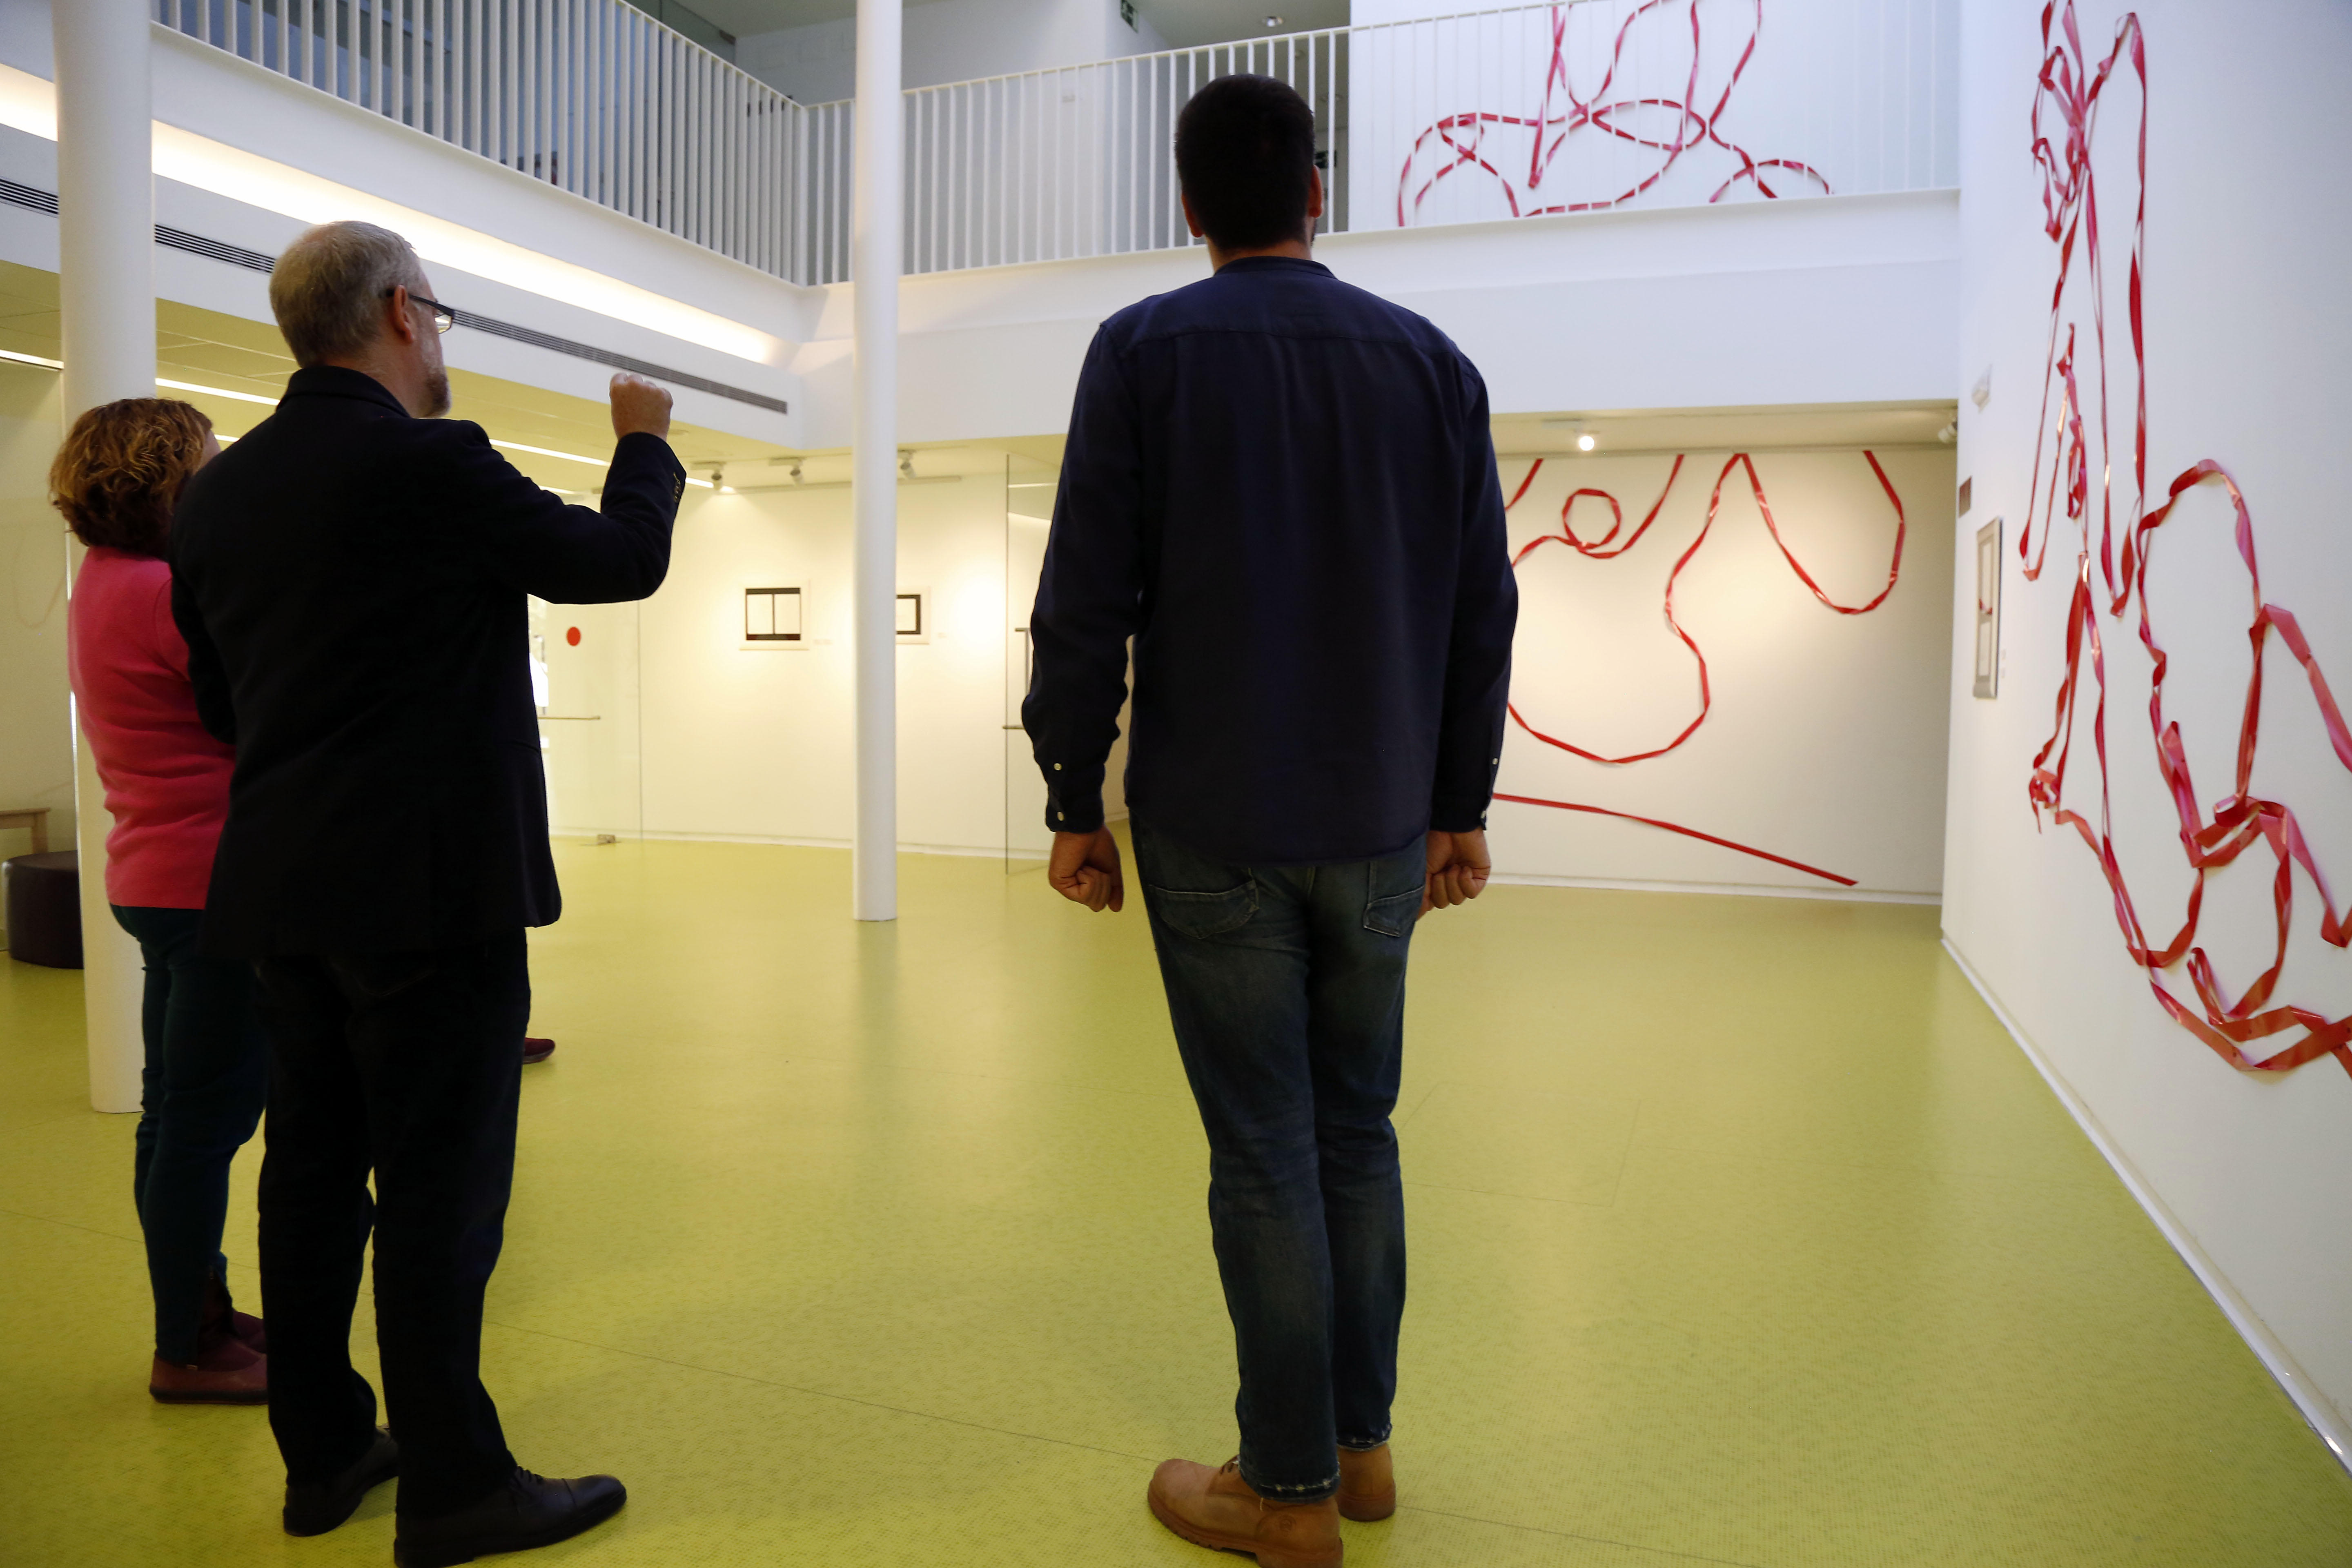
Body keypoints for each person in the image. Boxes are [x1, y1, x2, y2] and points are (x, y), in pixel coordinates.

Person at [1022, 74, 1518, 1568]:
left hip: (1213, 825)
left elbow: (1084, 596)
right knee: (1358, 1133)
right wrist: (1459, 805)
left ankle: (1285, 1491)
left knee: (1264, 1151)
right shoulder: (1432, 365)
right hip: (1379, 827)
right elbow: (1481, 609)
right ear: (1318, 191)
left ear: (1188, 205)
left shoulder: (1142, 352)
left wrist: (1071, 795)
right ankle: (1360, 1452)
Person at [168, 219, 684, 1567]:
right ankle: (456, 1486)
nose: (441, 337)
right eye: (440, 314)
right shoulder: (431, 462)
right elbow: (618, 561)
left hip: (283, 893)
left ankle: (326, 1453)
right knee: (440, 1195)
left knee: (310, 1179)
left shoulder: (216, 497)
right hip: (432, 898)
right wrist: (642, 444)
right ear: (403, 312)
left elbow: (223, 706)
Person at [55, 397, 271, 1406]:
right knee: (202, 1126)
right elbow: (257, 710)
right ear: (170, 481)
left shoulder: (102, 580)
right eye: (211, 466)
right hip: (210, 887)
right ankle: (185, 1344)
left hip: (155, 879)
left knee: (174, 1116)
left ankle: (200, 1311)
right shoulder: (162, 593)